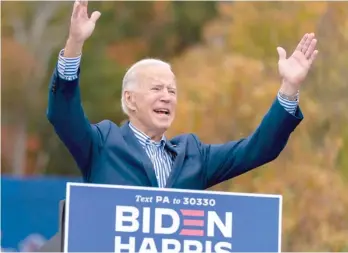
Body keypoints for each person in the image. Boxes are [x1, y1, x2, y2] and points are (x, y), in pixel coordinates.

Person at [41, 0, 318, 251]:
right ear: (130, 99)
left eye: (172, 91)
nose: (167, 96)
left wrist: (289, 88)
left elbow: (258, 149)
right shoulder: (102, 143)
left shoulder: (194, 155)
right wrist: (74, 44)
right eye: (157, 88)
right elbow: (63, 113)